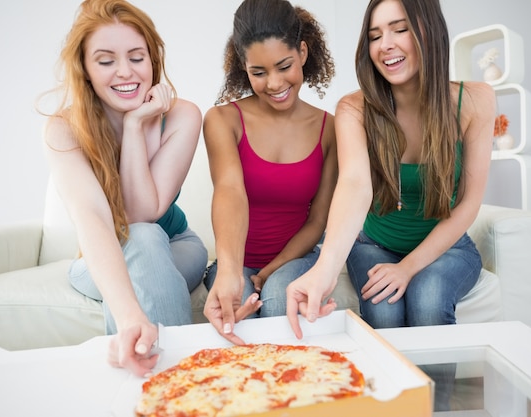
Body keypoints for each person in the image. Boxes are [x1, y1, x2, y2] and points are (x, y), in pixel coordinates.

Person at [287, 0, 495, 337]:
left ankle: (432, 394)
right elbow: (354, 185)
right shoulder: (354, 109)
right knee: (383, 310)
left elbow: (470, 203)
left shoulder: (475, 101)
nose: (386, 45)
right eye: (375, 35)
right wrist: (324, 269)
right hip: (373, 243)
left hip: (449, 245)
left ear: (431, 31)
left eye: (400, 29)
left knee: (429, 299)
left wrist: (407, 268)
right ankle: (391, 391)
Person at [41, 0, 208, 377]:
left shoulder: (182, 116)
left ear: (153, 60)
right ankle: (181, 381)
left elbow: (143, 211)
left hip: (177, 245)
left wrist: (134, 127)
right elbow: (94, 218)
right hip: (99, 256)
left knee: (147, 236)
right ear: (84, 68)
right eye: (105, 61)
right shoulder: (63, 129)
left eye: (136, 57)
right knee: (141, 242)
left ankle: (154, 384)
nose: (125, 72)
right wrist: (129, 314)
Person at [202, 0, 338, 345]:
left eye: (284, 66)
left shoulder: (330, 129)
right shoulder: (222, 120)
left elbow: (317, 221)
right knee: (237, 312)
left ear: (303, 52)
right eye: (258, 73)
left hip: (295, 259)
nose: (275, 83)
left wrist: (269, 270)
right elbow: (229, 191)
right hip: (235, 261)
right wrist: (233, 271)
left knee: (280, 299)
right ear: (243, 69)